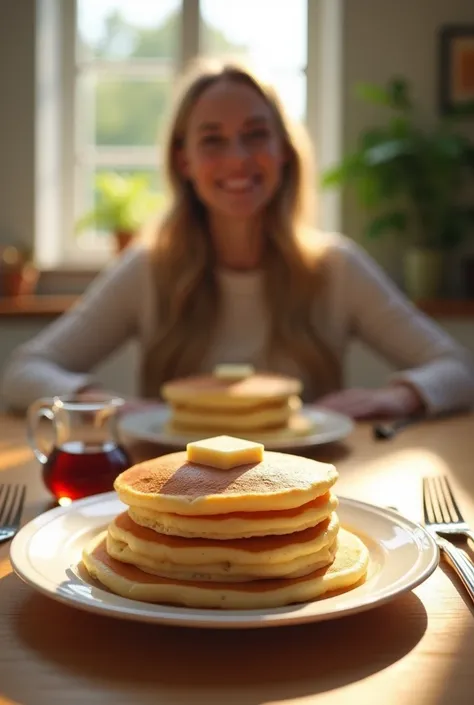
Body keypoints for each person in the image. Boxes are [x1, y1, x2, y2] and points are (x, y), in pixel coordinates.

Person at [2, 58, 474, 419]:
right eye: (212, 139)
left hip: (306, 501)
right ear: (183, 161)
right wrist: (104, 403)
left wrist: (388, 396)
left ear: (284, 152)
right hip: (175, 495)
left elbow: (458, 367)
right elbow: (22, 373)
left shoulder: (335, 266)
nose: (238, 159)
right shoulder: (148, 268)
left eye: (255, 134)